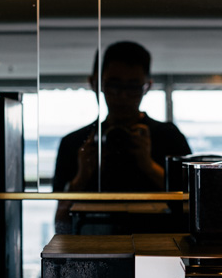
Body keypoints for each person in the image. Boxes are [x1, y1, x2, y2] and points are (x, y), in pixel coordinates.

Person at [53, 41, 191, 197]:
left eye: (133, 87)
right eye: (114, 85)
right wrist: (83, 176)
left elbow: (192, 202)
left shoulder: (169, 137)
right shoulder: (77, 144)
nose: (123, 96)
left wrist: (149, 167)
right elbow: (60, 217)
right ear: (96, 84)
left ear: (147, 87)